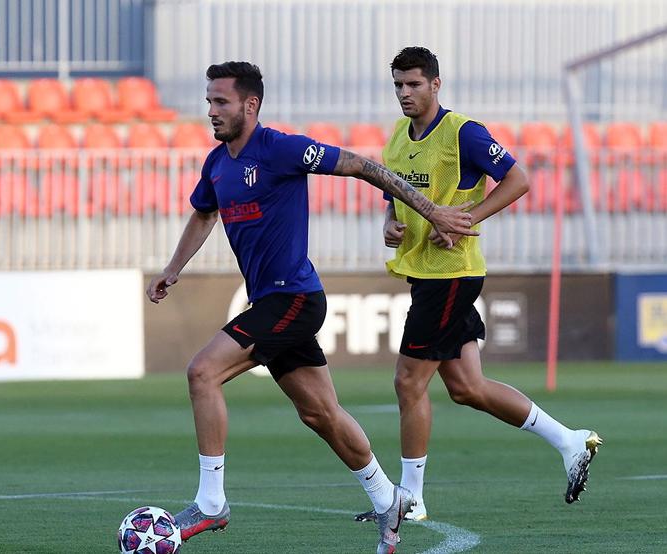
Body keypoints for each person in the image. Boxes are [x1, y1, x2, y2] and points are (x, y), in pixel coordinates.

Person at [145, 61, 478, 554]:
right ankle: (388, 497)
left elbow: (364, 166)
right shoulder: (217, 164)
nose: (211, 111)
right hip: (272, 300)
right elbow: (203, 212)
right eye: (208, 101)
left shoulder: (281, 149)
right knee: (321, 412)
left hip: (294, 298)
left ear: (250, 105)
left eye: (222, 102)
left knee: (202, 373)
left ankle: (211, 502)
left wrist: (431, 211)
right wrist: (174, 267)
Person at [354, 47, 602, 524]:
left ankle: (410, 499)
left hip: (451, 276)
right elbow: (393, 198)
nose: (405, 93)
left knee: (408, 382)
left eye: (414, 84)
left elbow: (518, 178)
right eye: (398, 86)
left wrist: (467, 218)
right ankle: (570, 441)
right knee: (468, 387)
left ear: (435, 84)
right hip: (425, 273)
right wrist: (390, 223)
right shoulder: (396, 139)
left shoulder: (462, 132)